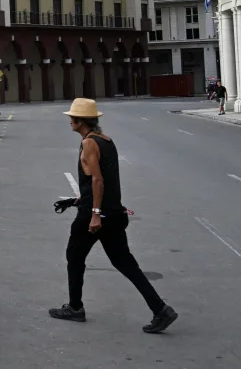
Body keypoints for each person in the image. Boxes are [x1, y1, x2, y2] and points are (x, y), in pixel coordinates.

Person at [50, 98, 178, 333]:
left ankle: (75, 308)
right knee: (125, 264)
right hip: (114, 213)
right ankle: (160, 310)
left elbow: (98, 180)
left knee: (74, 257)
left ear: (81, 121)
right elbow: (101, 180)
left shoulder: (89, 143)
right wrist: (79, 199)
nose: (69, 121)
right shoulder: (106, 141)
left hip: (95, 215)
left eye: (72, 117)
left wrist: (95, 214)